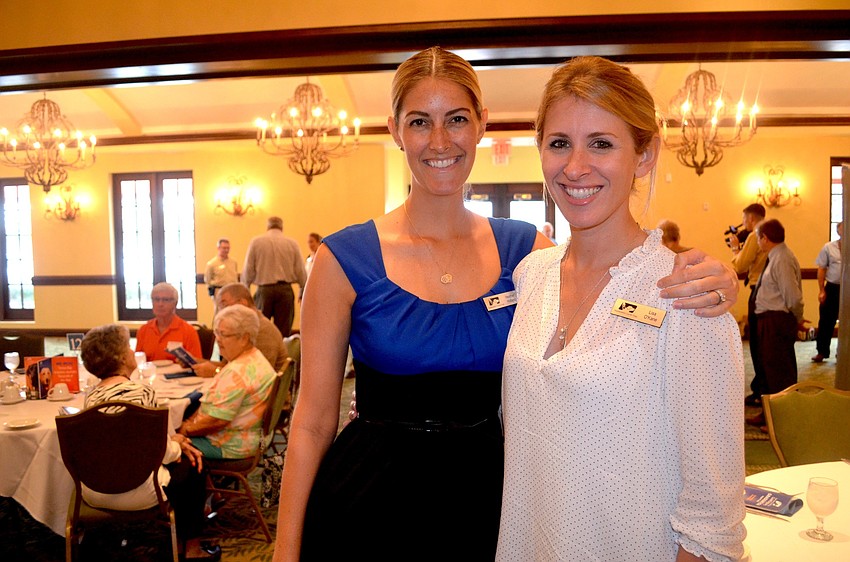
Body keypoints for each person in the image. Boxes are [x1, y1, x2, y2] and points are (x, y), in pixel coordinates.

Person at [273, 47, 739, 562]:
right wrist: (285, 551)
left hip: (489, 502)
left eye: (456, 119)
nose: (440, 140)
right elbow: (312, 421)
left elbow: (616, 276)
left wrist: (719, 281)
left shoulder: (525, 253)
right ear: (395, 131)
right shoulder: (344, 257)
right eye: (420, 121)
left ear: (481, 124)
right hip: (370, 500)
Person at [498, 56, 744, 561]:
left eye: (601, 144)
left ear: (645, 155)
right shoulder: (532, 275)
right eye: (559, 143)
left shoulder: (686, 296)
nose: (575, 167)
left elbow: (713, 518)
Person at [80, 324, 218, 561]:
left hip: (94, 491)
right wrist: (177, 444)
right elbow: (161, 452)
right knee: (194, 463)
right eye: (128, 347)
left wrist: (171, 441)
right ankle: (192, 549)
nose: (132, 352)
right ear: (121, 358)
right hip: (138, 492)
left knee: (181, 455)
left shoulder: (91, 397)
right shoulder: (143, 393)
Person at [177, 304, 277, 459]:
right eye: (217, 333)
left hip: (227, 443)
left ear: (244, 338)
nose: (218, 340)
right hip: (248, 438)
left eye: (223, 334)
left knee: (162, 445)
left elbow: (217, 421)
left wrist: (184, 430)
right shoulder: (255, 358)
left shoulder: (236, 372)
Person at [751, 219, 805, 396]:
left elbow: (793, 296)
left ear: (765, 238)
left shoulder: (782, 259)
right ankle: (771, 407)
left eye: (758, 239)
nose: (758, 243)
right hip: (769, 321)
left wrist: (797, 318)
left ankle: (782, 409)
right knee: (769, 367)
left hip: (776, 321)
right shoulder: (775, 256)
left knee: (779, 371)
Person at [192, 283, 289, 378]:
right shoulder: (240, 328)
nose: (221, 311)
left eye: (224, 304)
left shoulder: (263, 329)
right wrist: (196, 362)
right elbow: (228, 365)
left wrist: (215, 372)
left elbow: (258, 376)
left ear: (242, 303)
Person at [729, 203, 768, 406]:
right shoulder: (768, 231)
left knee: (756, 344)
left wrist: (735, 248)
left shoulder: (755, 235)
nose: (743, 223)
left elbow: (740, 265)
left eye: (744, 219)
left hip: (758, 289)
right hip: (767, 290)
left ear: (751, 219)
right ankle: (760, 387)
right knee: (762, 343)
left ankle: (760, 389)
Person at [242, 216, 308, 337]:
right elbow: (300, 271)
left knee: (260, 328)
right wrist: (302, 289)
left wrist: (246, 291)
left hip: (264, 290)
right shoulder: (292, 243)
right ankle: (282, 349)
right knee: (283, 332)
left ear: (268, 226)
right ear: (282, 227)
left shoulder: (256, 242)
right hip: (285, 291)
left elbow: (248, 269)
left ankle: (262, 349)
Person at [135, 282, 202, 363]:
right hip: (150, 371)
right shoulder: (143, 330)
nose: (160, 304)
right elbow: (138, 362)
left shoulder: (188, 332)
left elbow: (196, 364)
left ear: (175, 303)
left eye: (165, 300)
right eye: (156, 299)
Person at [812, 222, 842, 363]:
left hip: (848, 289)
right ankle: (822, 351)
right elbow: (822, 268)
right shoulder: (829, 247)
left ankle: (843, 352)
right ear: (838, 231)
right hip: (832, 287)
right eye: (842, 229)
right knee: (826, 321)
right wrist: (821, 290)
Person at [204, 238, 239, 305]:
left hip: (232, 291)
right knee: (220, 309)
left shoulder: (233, 262)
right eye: (224, 248)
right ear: (218, 248)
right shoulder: (212, 264)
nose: (226, 250)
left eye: (228, 248)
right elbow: (208, 280)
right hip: (219, 291)